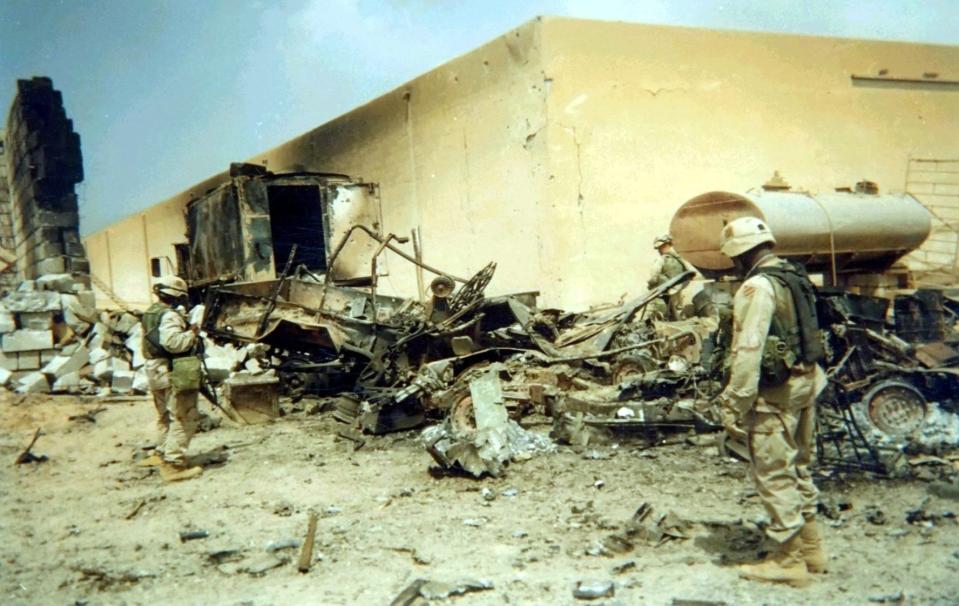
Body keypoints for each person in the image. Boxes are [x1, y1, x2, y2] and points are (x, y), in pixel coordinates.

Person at [715, 217, 828, 587]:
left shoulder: (757, 287)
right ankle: (812, 550)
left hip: (775, 395)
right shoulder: (792, 276)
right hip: (806, 384)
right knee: (800, 467)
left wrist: (734, 402)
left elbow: (749, 349)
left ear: (742, 254)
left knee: (774, 474)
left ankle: (788, 559)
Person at [137, 275, 204, 482]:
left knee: (165, 416)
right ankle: (173, 465)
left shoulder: (151, 312)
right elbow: (173, 343)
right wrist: (192, 332)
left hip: (153, 370)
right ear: (177, 297)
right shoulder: (169, 315)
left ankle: (160, 454)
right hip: (169, 370)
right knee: (184, 415)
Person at [646, 234, 689, 320]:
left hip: (663, 296)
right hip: (677, 295)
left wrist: (649, 286)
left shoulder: (661, 260)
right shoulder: (680, 260)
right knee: (676, 320)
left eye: (660, 247)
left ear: (667, 244)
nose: (659, 250)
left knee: (658, 320)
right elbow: (688, 276)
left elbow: (654, 278)